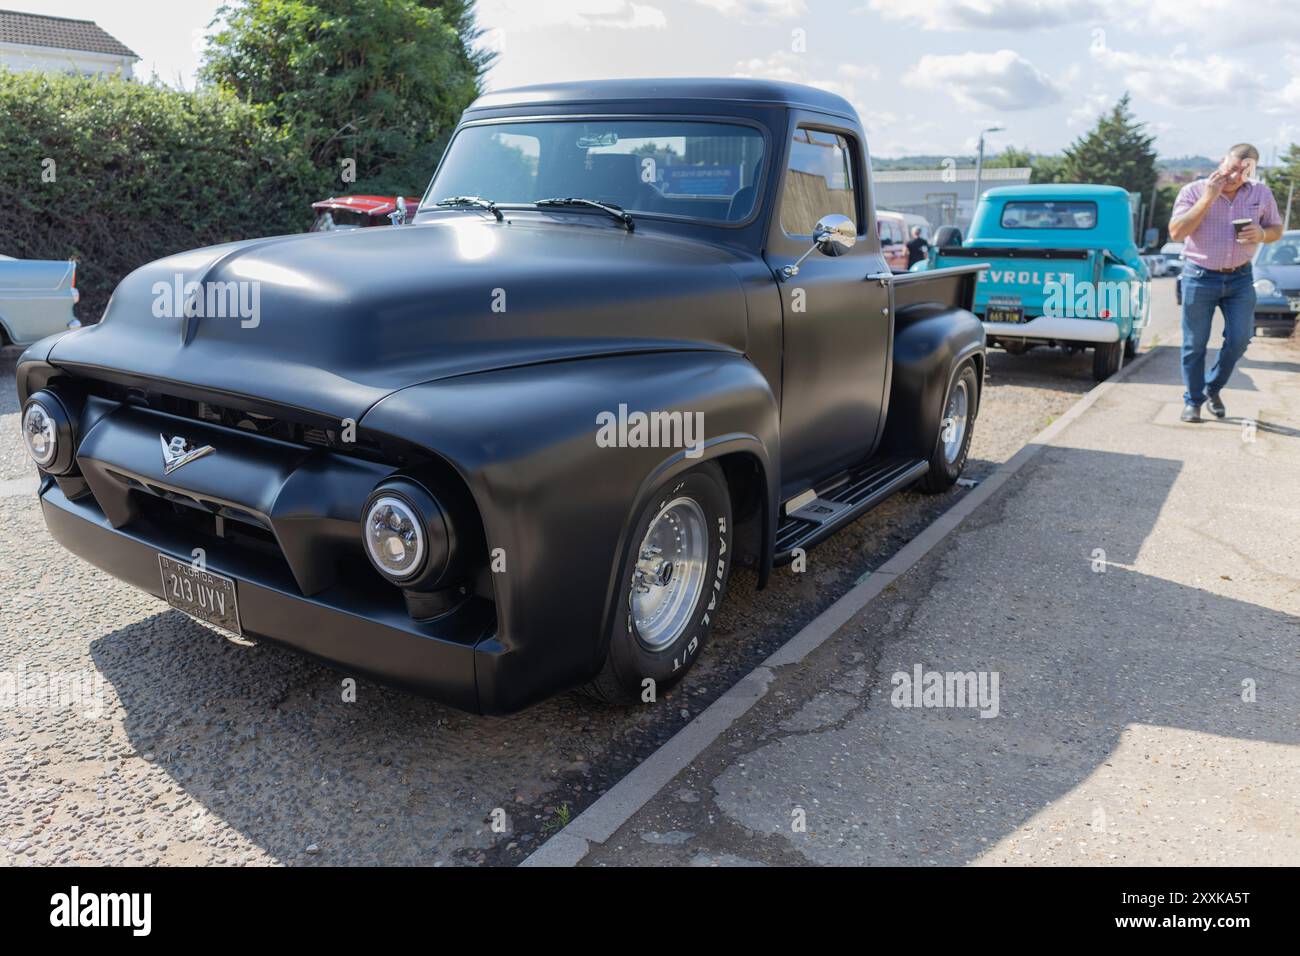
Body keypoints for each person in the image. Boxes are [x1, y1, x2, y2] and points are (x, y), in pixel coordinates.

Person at [1168, 144, 1283, 422]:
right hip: (1199, 277)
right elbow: (1176, 233)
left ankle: (1212, 388)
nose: (1234, 177)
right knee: (1195, 344)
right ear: (1222, 161)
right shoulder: (1192, 191)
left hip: (1240, 278)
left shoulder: (1261, 193)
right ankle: (1193, 401)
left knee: (1240, 340)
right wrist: (1208, 197)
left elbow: (1276, 229)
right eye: (1231, 168)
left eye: (1243, 172)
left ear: (1251, 171)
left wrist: (1261, 234)